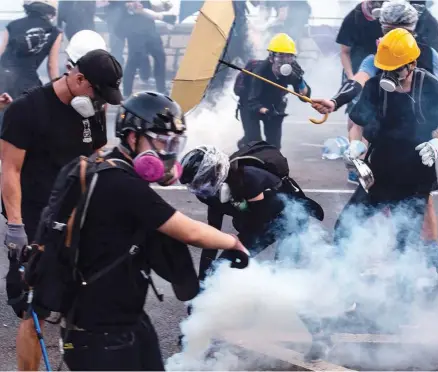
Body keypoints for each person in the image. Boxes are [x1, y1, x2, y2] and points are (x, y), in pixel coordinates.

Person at [34, 92, 249, 371]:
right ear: (132, 138)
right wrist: (233, 242)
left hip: (123, 324)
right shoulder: (123, 186)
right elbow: (190, 232)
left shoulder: (96, 168)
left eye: (174, 143)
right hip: (103, 336)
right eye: (160, 141)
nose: (168, 152)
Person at [0, 48, 121, 371]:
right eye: (98, 93)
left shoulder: (91, 109)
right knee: (33, 309)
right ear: (79, 78)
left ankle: (73, 357)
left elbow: (96, 157)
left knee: (78, 303)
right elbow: (10, 170)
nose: (101, 103)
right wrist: (15, 227)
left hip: (77, 217)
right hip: (36, 219)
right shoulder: (26, 110)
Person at [311, 0, 438, 256]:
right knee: (349, 224)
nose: (387, 35)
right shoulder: (378, 65)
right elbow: (358, 83)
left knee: (415, 222)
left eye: (393, 29)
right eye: (384, 29)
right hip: (381, 162)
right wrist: (336, 105)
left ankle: (430, 259)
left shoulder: (427, 63)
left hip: (416, 160)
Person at [180, 144, 324, 282]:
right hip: (256, 218)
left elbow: (254, 231)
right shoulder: (207, 193)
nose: (201, 191)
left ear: (217, 173)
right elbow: (212, 234)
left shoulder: (248, 178)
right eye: (196, 186)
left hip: (291, 217)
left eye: (203, 183)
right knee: (218, 270)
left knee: (284, 272)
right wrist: (204, 278)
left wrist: (222, 267)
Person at [336, 0, 384, 184]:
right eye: (374, 1)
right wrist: (351, 76)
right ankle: (356, 165)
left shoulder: (387, 16)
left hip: (381, 73)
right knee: (355, 119)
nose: (377, 4)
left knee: (374, 120)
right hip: (357, 73)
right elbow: (344, 52)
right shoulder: (353, 18)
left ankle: (368, 160)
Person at [239, 33, 310, 150]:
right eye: (281, 56)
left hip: (274, 107)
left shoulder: (293, 68)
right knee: (254, 143)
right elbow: (252, 102)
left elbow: (304, 97)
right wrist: (266, 111)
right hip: (250, 106)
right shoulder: (259, 71)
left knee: (274, 146)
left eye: (289, 56)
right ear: (271, 58)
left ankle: (270, 165)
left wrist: (300, 81)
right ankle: (246, 143)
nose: (285, 61)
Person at [0, 0, 62, 100]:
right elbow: (51, 66)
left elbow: (1, 54)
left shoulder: (12, 25)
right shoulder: (55, 32)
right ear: (51, 12)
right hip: (27, 84)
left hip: (3, 79)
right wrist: (59, 90)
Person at [121, 0, 172, 98]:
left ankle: (161, 89)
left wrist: (162, 7)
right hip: (134, 31)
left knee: (160, 56)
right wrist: (129, 5)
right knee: (133, 61)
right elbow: (122, 6)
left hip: (150, 29)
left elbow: (149, 6)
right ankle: (127, 93)